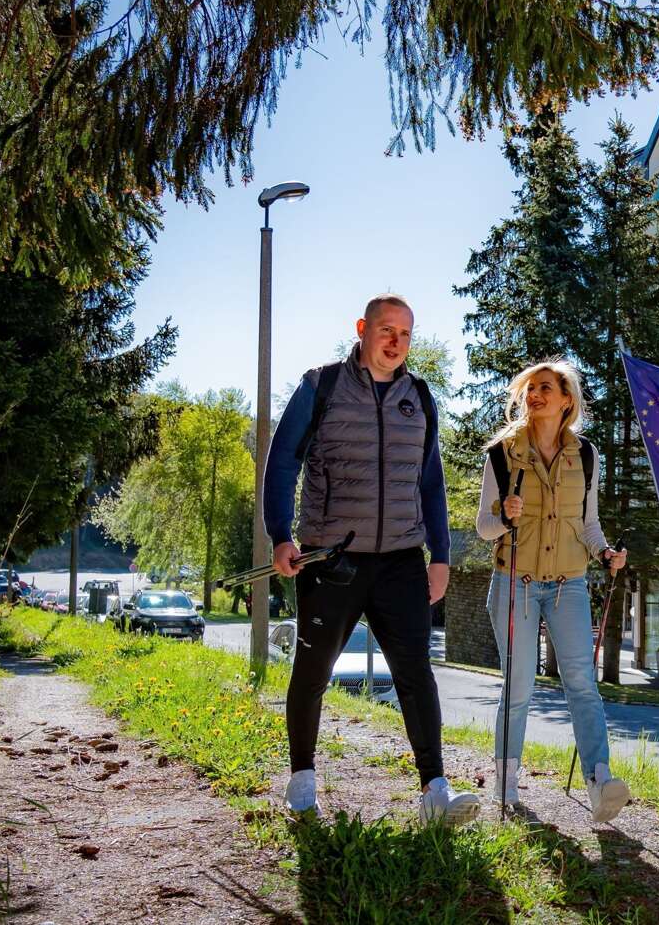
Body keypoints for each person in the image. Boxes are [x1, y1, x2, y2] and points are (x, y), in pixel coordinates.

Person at [264, 294, 480, 825]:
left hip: (403, 559)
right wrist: (280, 535)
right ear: (362, 328)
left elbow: (431, 483)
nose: (395, 342)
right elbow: (281, 462)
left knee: (416, 674)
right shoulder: (323, 387)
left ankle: (435, 790)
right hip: (330, 558)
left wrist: (441, 555)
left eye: (406, 334)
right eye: (386, 330)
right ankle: (303, 780)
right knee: (312, 670)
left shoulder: (420, 396)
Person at [475, 360, 631, 822]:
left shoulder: (585, 454)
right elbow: (484, 527)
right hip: (513, 584)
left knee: (583, 684)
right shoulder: (502, 453)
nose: (534, 395)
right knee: (518, 686)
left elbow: (588, 524)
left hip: (570, 586)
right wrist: (504, 514)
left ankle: (601, 784)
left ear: (567, 400)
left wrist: (605, 554)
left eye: (545, 388)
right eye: (529, 389)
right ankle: (506, 786)